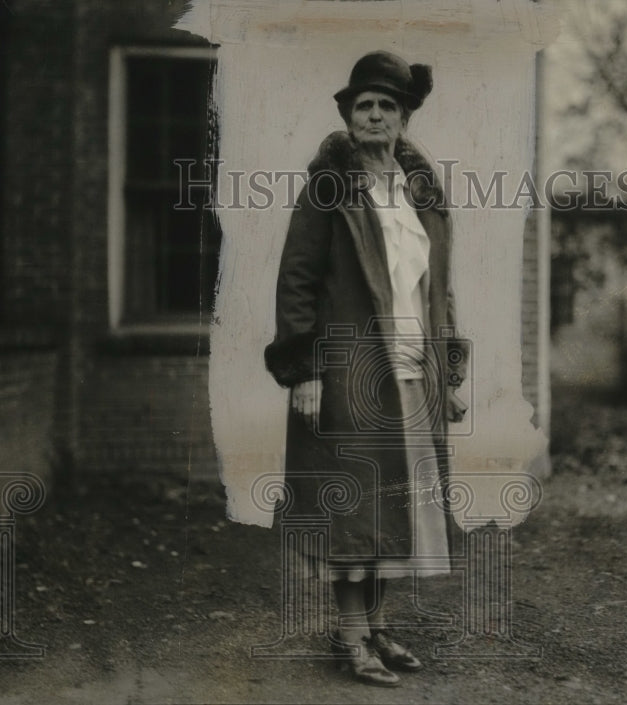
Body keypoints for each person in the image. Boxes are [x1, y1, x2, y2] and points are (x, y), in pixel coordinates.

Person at [264, 50, 468, 687]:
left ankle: (376, 628)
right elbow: (297, 280)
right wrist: (305, 370)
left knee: (394, 505)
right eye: (363, 106)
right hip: (349, 372)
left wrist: (448, 372)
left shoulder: (421, 195)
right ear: (349, 118)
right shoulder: (328, 189)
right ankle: (352, 639)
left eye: (385, 105)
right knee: (351, 511)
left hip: (411, 368)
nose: (374, 115)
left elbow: (440, 288)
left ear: (403, 118)